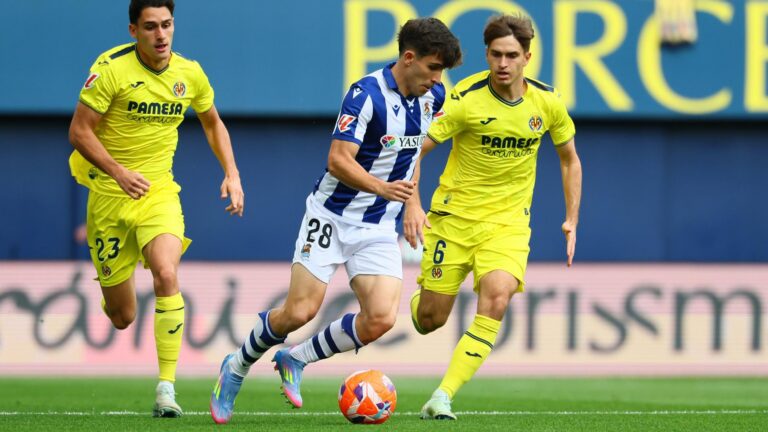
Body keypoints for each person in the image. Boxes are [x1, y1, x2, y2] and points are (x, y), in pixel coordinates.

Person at [209, 17, 462, 424]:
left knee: (380, 318)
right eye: (433, 68)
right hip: (331, 215)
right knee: (299, 312)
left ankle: (296, 358)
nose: (437, 79)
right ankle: (235, 367)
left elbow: (413, 156)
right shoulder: (364, 96)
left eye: (441, 72)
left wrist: (412, 203)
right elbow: (338, 160)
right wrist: (384, 189)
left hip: (379, 225)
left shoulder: (434, 97)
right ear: (409, 58)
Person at [68, 0, 244, 418]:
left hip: (158, 193)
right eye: (150, 27)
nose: (160, 35)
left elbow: (212, 121)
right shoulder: (110, 70)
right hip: (110, 197)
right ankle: (113, 291)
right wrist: (117, 171)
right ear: (134, 31)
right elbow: (79, 131)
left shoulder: (190, 73)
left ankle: (167, 388)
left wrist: (232, 173)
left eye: (166, 25)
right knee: (122, 316)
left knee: (167, 272)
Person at [403, 14, 582, 420]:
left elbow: (570, 160)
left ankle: (442, 396)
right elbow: (415, 151)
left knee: (497, 298)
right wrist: (411, 202)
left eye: (512, 56)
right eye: (496, 55)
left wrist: (572, 218)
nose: (503, 64)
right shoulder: (463, 100)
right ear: (486, 55)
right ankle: (420, 297)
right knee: (430, 319)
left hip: (508, 224)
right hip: (453, 219)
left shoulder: (547, 103)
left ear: (527, 57)